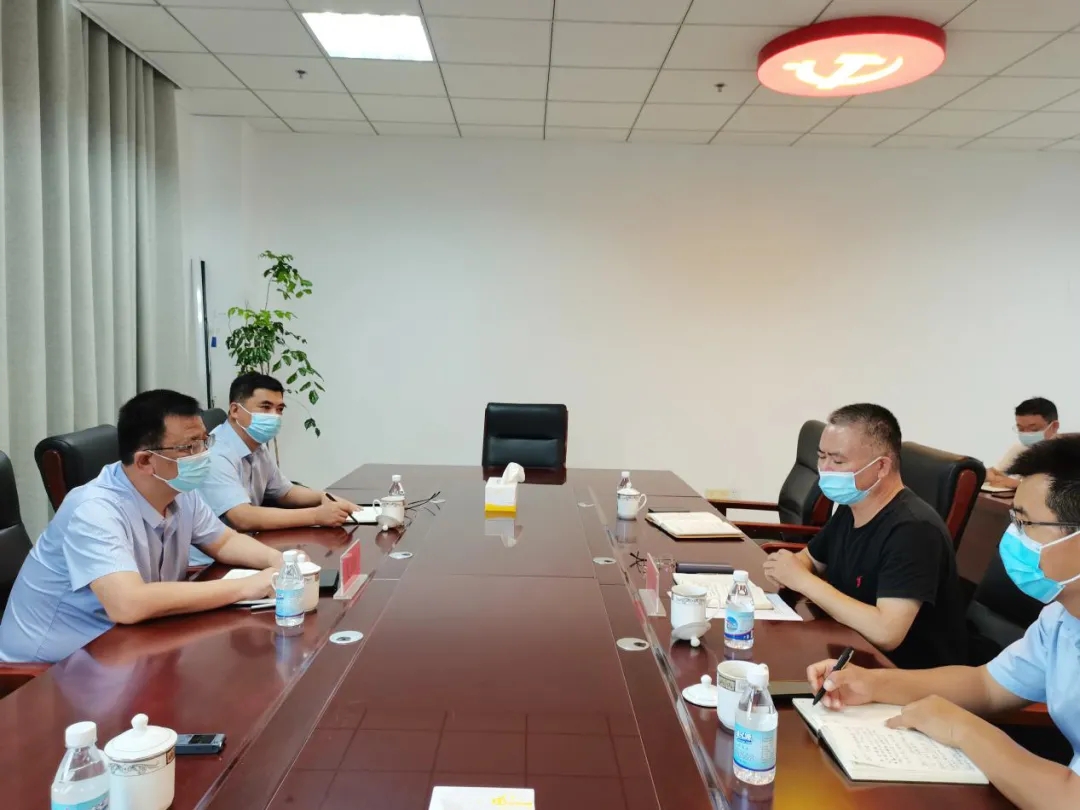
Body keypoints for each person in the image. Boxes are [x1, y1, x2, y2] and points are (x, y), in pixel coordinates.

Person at [807, 435, 1080, 807]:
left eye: (1025, 522)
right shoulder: (1062, 618)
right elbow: (987, 685)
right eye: (1012, 520)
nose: (1011, 538)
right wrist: (872, 683)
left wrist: (964, 730)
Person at [0, 390, 282, 663]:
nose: (203, 455)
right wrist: (247, 587)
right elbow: (128, 604)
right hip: (49, 668)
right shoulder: (93, 509)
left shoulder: (178, 489)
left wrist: (280, 562)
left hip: (122, 644)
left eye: (204, 442)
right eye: (189, 447)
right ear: (146, 460)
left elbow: (224, 542)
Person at [762, 403, 966, 669]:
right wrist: (790, 569)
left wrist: (802, 580)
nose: (825, 469)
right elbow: (809, 559)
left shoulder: (914, 530)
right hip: (850, 649)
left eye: (838, 461)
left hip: (905, 673)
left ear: (881, 467)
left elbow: (887, 633)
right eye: (822, 456)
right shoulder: (853, 506)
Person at [192, 373, 359, 566]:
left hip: (248, 547)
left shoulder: (256, 445)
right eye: (265, 407)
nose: (274, 416)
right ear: (235, 410)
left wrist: (323, 497)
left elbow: (285, 492)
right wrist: (316, 515)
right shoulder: (215, 454)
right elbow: (242, 517)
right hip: (209, 564)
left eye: (279, 409)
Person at [986, 397, 1060, 490]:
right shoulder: (1018, 449)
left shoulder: (1068, 454)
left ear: (1054, 426)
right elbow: (994, 472)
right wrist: (990, 476)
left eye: (1034, 429)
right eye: (1020, 429)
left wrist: (1019, 485)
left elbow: (1061, 491)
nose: (1026, 434)